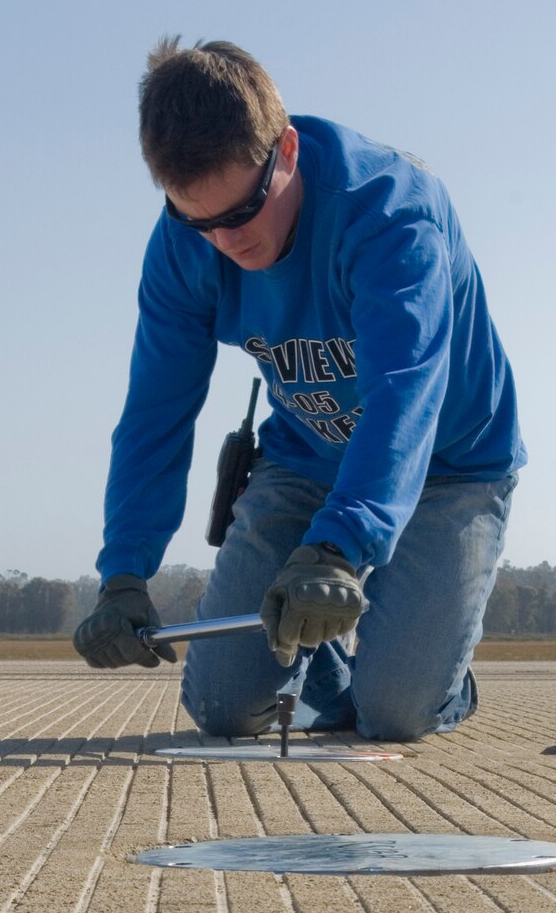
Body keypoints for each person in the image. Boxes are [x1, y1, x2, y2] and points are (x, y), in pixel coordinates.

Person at [73, 37, 526, 742]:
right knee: (223, 709)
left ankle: (435, 673)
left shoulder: (390, 214)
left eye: (242, 212)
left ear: (285, 151)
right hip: (306, 457)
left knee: (398, 712)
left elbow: (404, 397)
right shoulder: (182, 246)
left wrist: (341, 548)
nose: (225, 243)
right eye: (200, 221)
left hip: (451, 464)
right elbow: (154, 415)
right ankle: (346, 662)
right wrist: (124, 573)